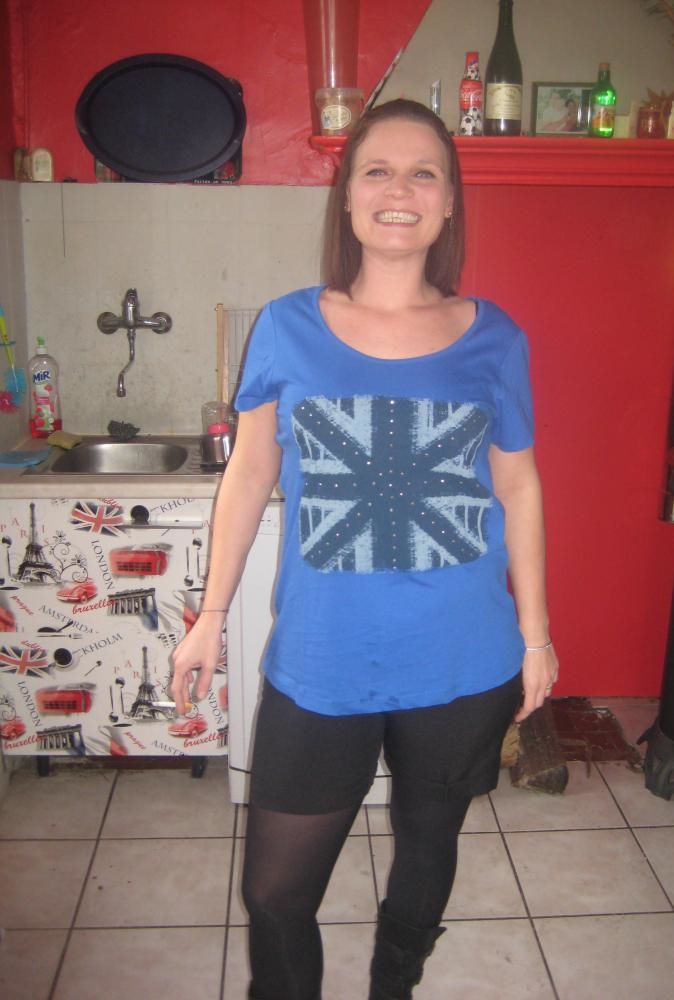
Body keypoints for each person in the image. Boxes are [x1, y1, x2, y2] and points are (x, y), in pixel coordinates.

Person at [171, 98, 558, 1000]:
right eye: (377, 171)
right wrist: (210, 614)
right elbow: (249, 474)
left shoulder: (495, 336)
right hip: (323, 654)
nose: (399, 191)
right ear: (346, 196)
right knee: (274, 893)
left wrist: (536, 635)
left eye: (424, 174)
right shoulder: (287, 325)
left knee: (428, 844)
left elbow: (520, 487)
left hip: (462, 655)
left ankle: (395, 983)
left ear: (450, 202)